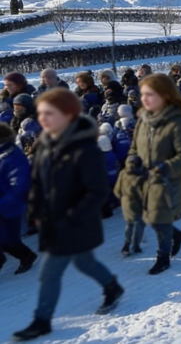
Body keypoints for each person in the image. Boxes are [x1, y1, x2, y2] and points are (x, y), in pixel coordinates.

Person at [14, 89, 123, 341]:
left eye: (49, 113)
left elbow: (97, 190)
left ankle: (42, 321)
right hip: (54, 220)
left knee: (50, 272)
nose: (43, 118)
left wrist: (73, 216)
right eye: (40, 113)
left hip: (76, 221)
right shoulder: (45, 144)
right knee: (84, 262)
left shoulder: (87, 149)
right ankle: (112, 286)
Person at [129, 74, 181, 275]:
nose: (144, 99)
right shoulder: (143, 120)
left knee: (160, 219)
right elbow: (134, 147)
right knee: (150, 217)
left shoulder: (177, 123)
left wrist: (165, 167)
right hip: (146, 179)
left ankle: (163, 257)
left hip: (168, 181)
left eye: (150, 94)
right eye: (143, 94)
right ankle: (177, 235)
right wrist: (132, 160)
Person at [0, 122, 37, 276]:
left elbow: (20, 185)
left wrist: (4, 203)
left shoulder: (13, 156)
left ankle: (27, 256)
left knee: (7, 239)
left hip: (11, 205)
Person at [115, 156, 146, 257]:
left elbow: (117, 190)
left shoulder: (123, 173)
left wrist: (122, 197)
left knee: (130, 224)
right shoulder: (142, 175)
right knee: (139, 225)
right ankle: (135, 246)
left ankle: (126, 245)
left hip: (125, 202)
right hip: (138, 203)